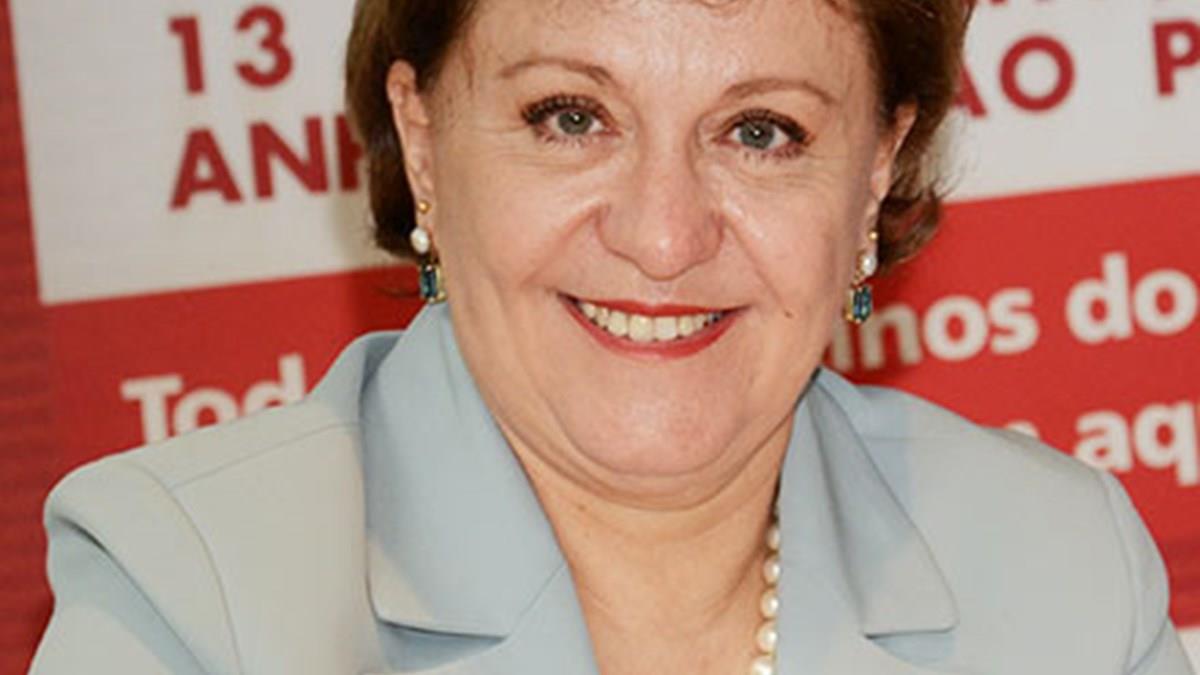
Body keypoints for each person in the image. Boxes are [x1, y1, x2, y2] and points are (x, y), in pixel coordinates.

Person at [29, 0, 1194, 673]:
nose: (664, 235)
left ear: (877, 171)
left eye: (762, 131)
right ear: (422, 140)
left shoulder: (1065, 574)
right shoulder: (199, 591)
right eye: (571, 117)